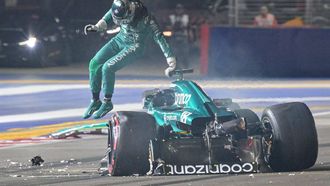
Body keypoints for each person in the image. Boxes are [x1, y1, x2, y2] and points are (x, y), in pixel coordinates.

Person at [83, 0, 176, 119]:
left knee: (108, 67)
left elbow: (160, 38)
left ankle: (107, 102)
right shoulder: (122, 5)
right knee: (94, 63)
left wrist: (171, 60)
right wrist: (97, 26)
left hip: (135, 46)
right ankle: (95, 100)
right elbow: (111, 14)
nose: (120, 22)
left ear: (131, 12)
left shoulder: (147, 19)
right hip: (120, 39)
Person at [169, 3, 190, 68]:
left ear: (182, 10)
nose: (179, 10)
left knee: (185, 53)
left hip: (183, 37)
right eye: (177, 9)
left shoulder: (186, 17)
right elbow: (169, 26)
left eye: (180, 9)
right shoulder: (172, 17)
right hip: (174, 36)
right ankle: (176, 66)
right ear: (175, 10)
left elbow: (188, 27)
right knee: (174, 53)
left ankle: (186, 66)